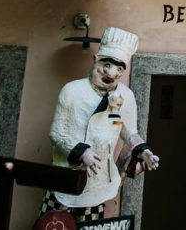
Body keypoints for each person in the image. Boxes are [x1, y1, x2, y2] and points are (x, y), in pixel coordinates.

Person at [39, 27, 160, 223]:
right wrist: (81, 152)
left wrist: (143, 150)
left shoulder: (126, 96)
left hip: (97, 181)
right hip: (66, 177)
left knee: (89, 224)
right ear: (95, 59)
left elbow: (129, 132)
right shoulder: (72, 91)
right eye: (107, 65)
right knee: (54, 224)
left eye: (119, 68)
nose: (111, 74)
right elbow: (57, 131)